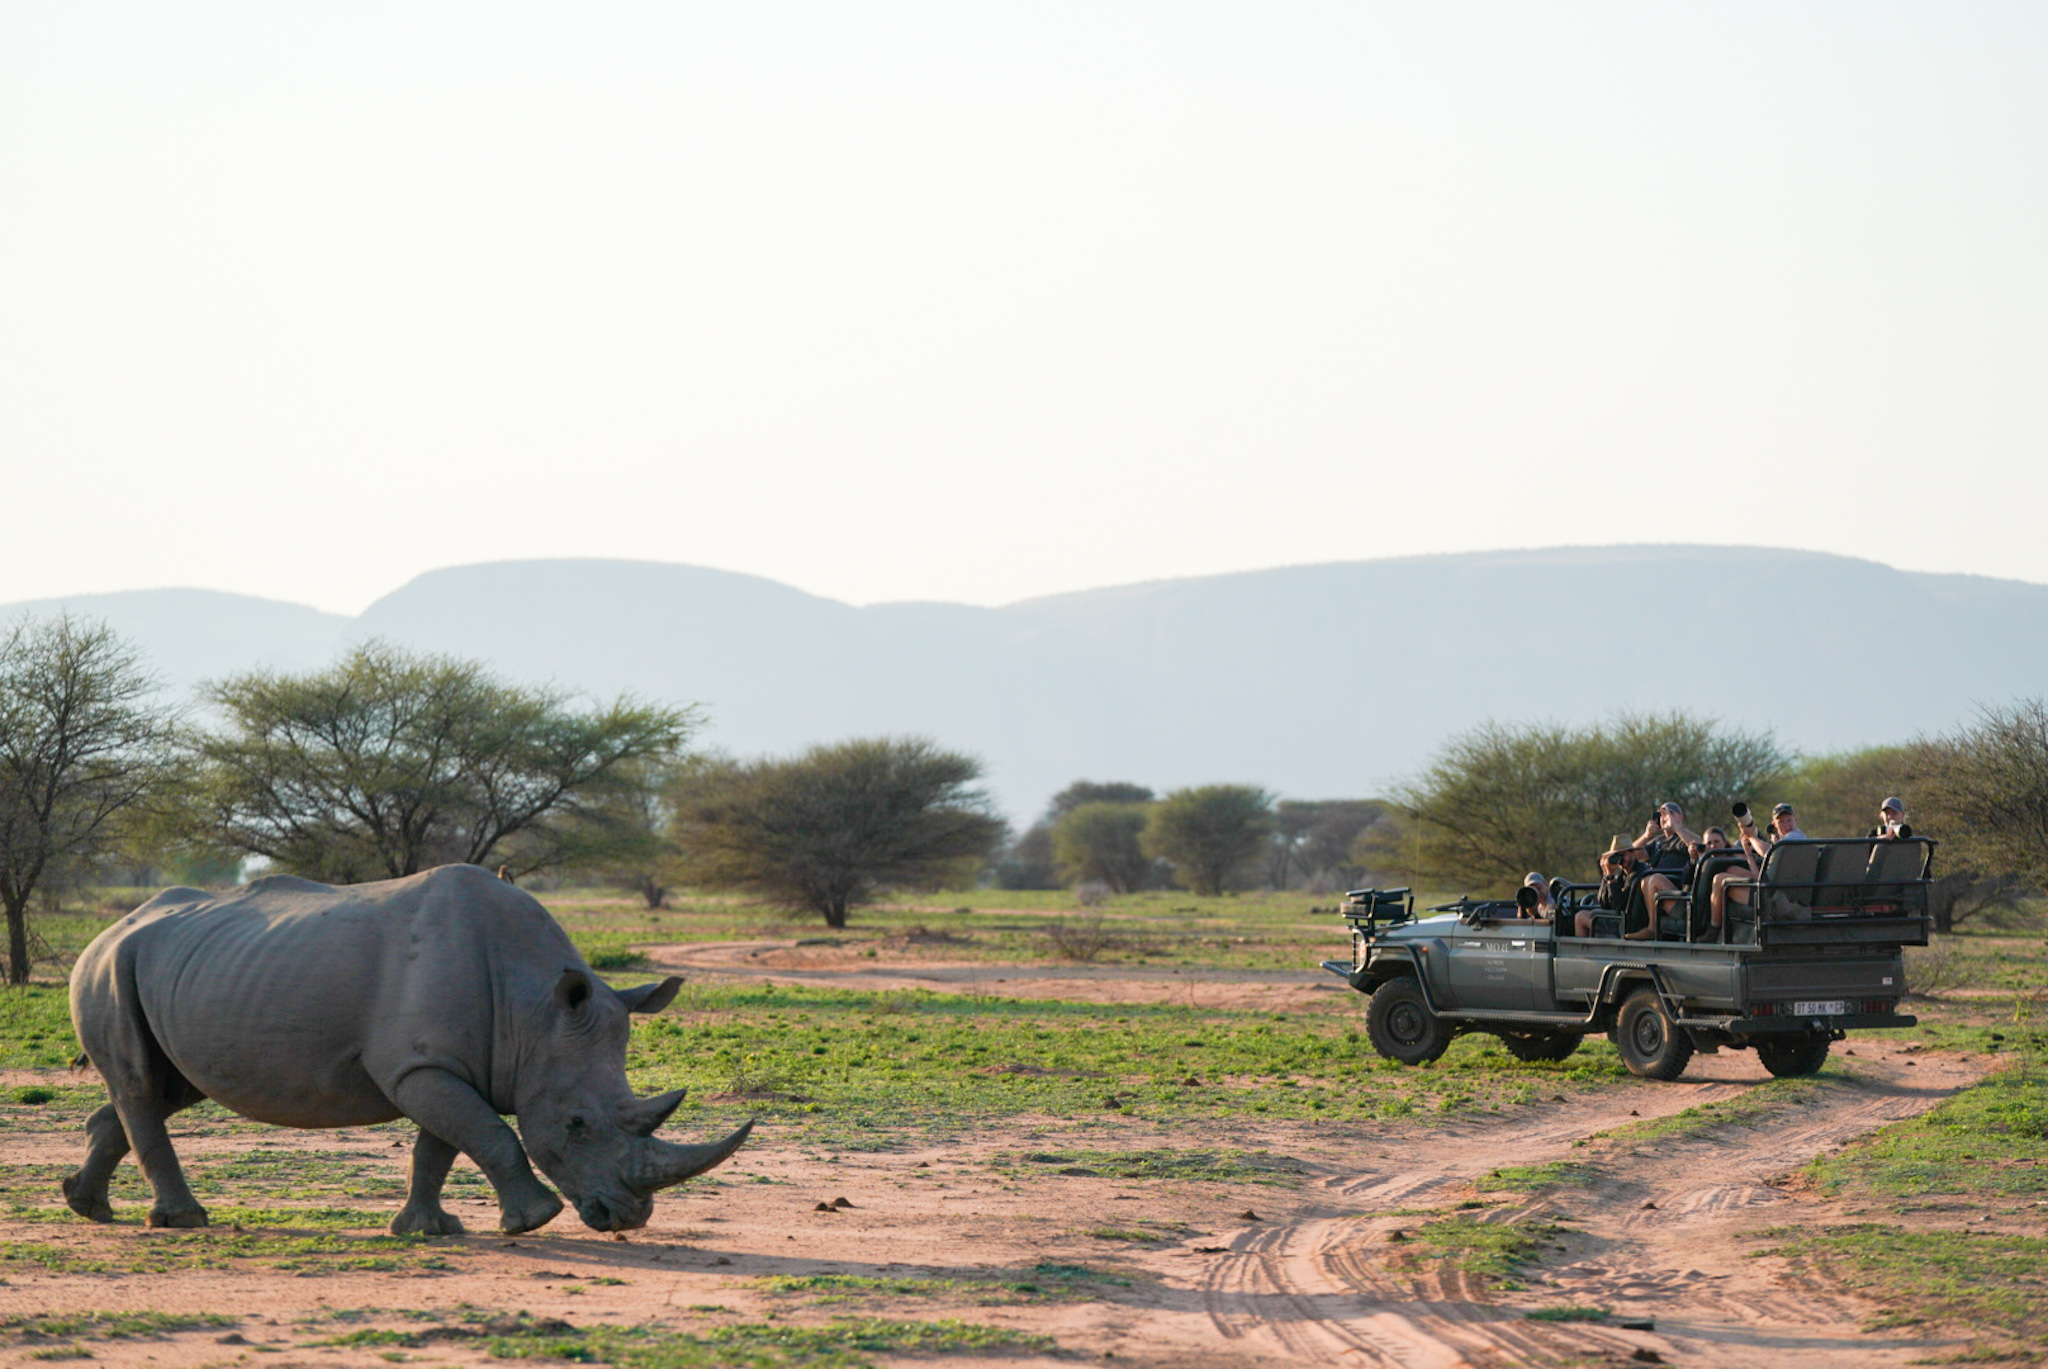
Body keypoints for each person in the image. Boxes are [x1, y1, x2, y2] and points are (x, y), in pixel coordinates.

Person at [1713, 802, 1803, 929]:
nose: (1787, 825)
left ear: (1795, 820)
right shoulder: (1782, 844)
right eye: (1781, 822)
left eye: (1789, 820)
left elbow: (1767, 851)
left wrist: (1752, 837)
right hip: (1773, 889)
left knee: (1720, 880)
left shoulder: (1795, 837)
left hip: (1778, 898)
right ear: (1774, 825)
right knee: (1732, 870)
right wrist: (1749, 853)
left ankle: (1713, 929)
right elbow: (1759, 877)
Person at [1634, 802, 1702, 936]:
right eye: (1661, 815)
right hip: (1656, 893)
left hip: (1677, 892)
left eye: (1670, 813)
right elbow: (1632, 855)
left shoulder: (1684, 838)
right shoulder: (1658, 842)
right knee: (1645, 880)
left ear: (1680, 817)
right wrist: (1646, 836)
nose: (1665, 817)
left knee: (1654, 879)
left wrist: (1677, 827)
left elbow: (1700, 846)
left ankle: (1652, 928)